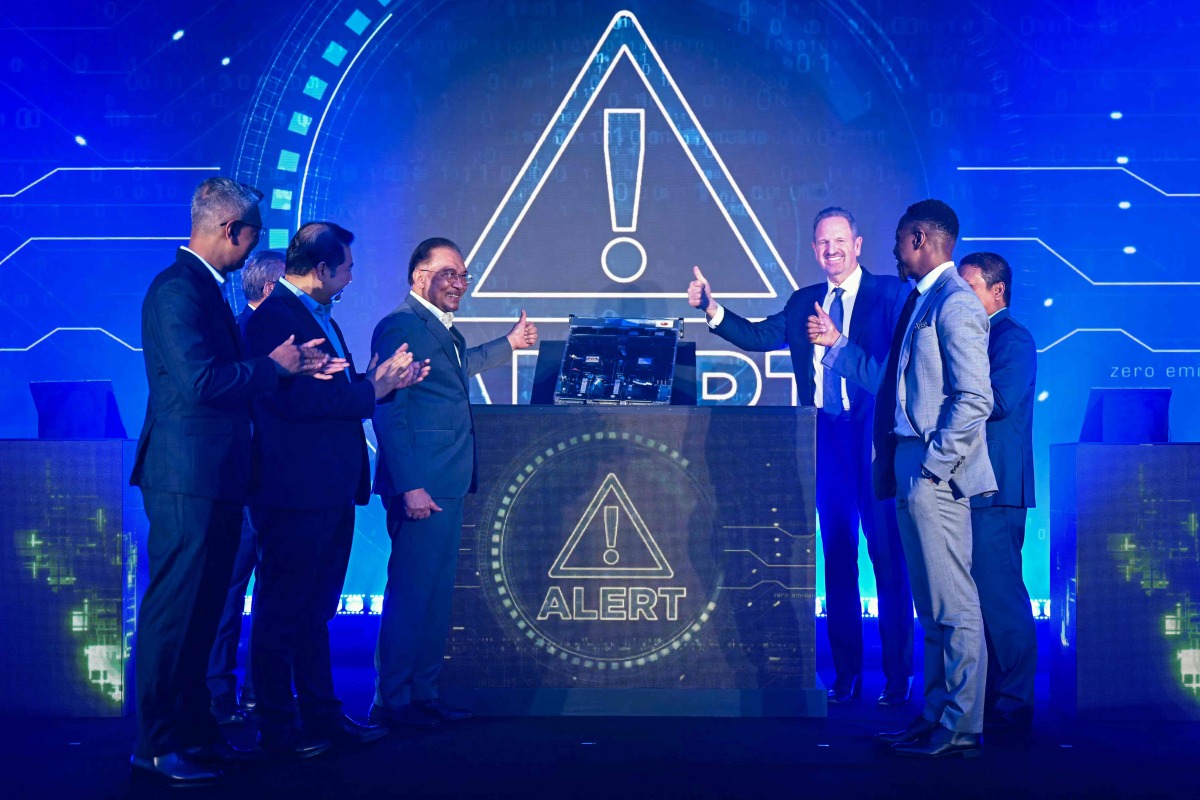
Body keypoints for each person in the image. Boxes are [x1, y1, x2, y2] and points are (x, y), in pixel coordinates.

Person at [130, 178, 343, 785]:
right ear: (230, 230)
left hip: (218, 476)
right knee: (175, 613)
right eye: (253, 236)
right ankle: (156, 743)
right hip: (186, 477)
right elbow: (201, 382)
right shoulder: (177, 290)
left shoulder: (204, 289)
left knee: (203, 616)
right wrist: (273, 368)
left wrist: (284, 370)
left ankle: (196, 735)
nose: (255, 250)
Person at [688, 207, 914, 705]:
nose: (831, 249)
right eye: (822, 243)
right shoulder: (803, 302)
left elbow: (894, 374)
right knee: (836, 558)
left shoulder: (891, 297)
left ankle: (899, 675)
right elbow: (758, 336)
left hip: (874, 441)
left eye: (839, 240)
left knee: (888, 558)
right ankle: (847, 673)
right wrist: (713, 311)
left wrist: (838, 341)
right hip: (826, 440)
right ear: (814, 251)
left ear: (857, 244)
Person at [810, 199, 995, 758]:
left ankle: (961, 725)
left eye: (897, 239)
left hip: (933, 474)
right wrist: (838, 349)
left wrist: (934, 468)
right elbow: (892, 380)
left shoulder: (956, 303)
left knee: (954, 606)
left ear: (920, 238)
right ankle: (936, 714)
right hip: (910, 469)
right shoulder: (924, 299)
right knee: (931, 606)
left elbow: (974, 399)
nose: (893, 250)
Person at [245, 222, 427, 757]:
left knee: (316, 609)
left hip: (327, 487)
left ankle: (322, 715)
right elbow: (295, 403)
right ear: (322, 269)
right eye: (346, 266)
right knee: (282, 611)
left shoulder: (314, 312)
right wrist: (375, 387)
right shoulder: (274, 317)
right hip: (293, 491)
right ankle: (277, 726)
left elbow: (339, 393)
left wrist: (379, 384)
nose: (352, 275)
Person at [369, 237, 538, 727]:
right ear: (420, 276)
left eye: (463, 275)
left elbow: (455, 371)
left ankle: (422, 693)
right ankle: (392, 700)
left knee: (436, 596)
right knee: (410, 595)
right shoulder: (401, 326)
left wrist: (508, 344)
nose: (459, 283)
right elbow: (388, 411)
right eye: (449, 273)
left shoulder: (442, 331)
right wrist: (410, 485)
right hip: (422, 485)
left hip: (448, 481)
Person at [958, 252, 1038, 738]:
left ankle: (1015, 700)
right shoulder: (978, 339)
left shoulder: (1013, 339)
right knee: (976, 601)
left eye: (968, 288)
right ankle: (986, 695)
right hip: (971, 488)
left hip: (998, 488)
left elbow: (1001, 400)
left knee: (1002, 598)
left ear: (996, 292)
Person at [207, 249, 287, 726]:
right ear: (272, 289)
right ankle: (218, 693)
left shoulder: (286, 335)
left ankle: (263, 691)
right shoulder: (235, 336)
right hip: (242, 487)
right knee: (228, 592)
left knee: (274, 593)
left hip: (279, 486)